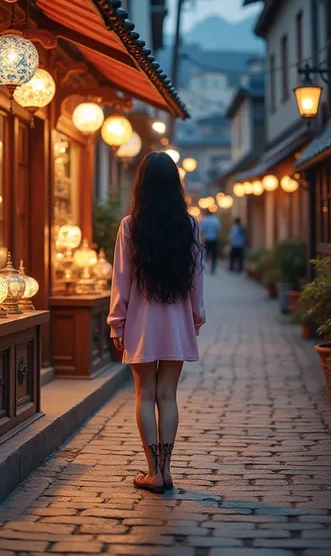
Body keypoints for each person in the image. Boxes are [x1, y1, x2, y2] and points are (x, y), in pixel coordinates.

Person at [107, 152, 205, 494]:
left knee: (144, 394)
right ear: (175, 185)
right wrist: (196, 314)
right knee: (168, 395)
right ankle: (167, 469)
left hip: (142, 322)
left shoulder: (131, 225)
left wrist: (116, 323)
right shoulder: (189, 225)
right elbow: (196, 277)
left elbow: (121, 279)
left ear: (142, 184)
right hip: (177, 320)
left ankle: (153, 473)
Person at [199, 208, 222, 273]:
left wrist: (202, 239)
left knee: (206, 254)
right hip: (214, 239)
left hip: (207, 239)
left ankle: (205, 268)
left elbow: (202, 231)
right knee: (214, 254)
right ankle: (213, 268)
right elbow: (218, 229)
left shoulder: (204, 220)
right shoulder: (215, 220)